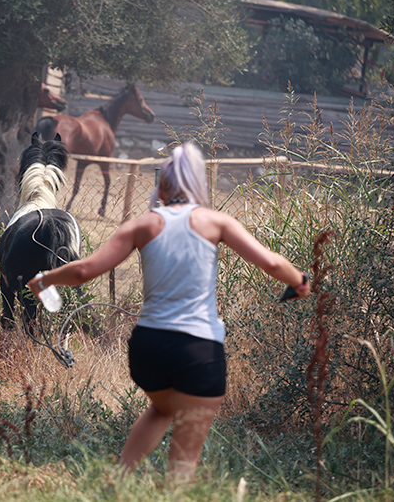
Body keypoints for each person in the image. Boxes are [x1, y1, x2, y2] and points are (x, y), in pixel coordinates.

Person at [27, 142, 310, 483]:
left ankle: (119, 482)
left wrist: (44, 280)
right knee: (186, 451)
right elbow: (273, 264)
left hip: (149, 349)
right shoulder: (215, 222)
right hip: (198, 348)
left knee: (162, 410)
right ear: (199, 186)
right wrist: (300, 281)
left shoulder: (142, 226)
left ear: (161, 188)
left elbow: (85, 270)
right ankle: (173, 491)